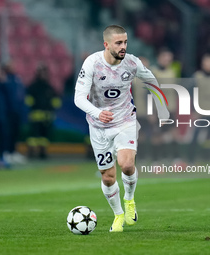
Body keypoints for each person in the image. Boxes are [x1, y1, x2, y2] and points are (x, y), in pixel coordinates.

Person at [74, 25, 169, 232]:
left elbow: (151, 81)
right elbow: (78, 98)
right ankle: (118, 215)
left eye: (125, 42)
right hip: (98, 127)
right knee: (108, 177)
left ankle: (129, 200)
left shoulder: (132, 63)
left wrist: (162, 109)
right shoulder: (92, 63)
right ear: (106, 45)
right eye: (118, 43)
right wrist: (97, 113)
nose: (123, 46)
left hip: (125, 120)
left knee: (126, 165)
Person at [25, 64, 61, 159]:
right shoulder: (33, 87)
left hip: (46, 116)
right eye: (42, 72)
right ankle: (31, 152)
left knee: (44, 136)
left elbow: (56, 101)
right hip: (35, 115)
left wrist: (52, 108)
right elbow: (28, 100)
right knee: (34, 135)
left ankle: (42, 152)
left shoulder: (49, 87)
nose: (44, 74)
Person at [2, 61, 27, 164]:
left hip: (17, 111)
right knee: (7, 133)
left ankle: (13, 152)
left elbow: (21, 94)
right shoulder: (3, 79)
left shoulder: (17, 79)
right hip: (7, 111)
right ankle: (6, 152)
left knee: (16, 132)